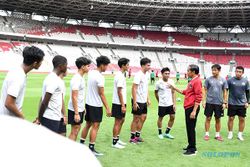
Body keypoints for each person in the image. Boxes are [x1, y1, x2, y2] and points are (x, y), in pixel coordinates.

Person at [0, 46, 44, 118]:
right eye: (41, 61)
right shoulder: (18, 76)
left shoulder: (18, 71)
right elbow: (9, 103)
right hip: (9, 121)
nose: (41, 63)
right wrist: (22, 118)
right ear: (35, 63)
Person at [80, 56, 111, 156]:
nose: (107, 68)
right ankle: (91, 148)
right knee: (95, 126)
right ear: (102, 65)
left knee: (88, 124)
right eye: (106, 65)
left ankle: (81, 144)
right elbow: (101, 94)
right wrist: (107, 107)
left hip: (88, 103)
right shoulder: (100, 77)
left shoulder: (91, 72)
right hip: (96, 105)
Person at [171, 64, 202, 156]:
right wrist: (174, 88)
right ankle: (190, 145)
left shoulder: (197, 81)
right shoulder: (192, 81)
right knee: (189, 128)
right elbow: (186, 92)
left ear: (193, 72)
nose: (187, 72)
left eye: (188, 71)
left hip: (192, 108)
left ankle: (193, 149)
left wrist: (194, 111)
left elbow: (199, 96)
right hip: (189, 107)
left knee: (191, 128)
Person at [37, 55, 68, 134]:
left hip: (53, 117)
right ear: (60, 66)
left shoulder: (52, 78)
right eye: (66, 65)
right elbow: (44, 102)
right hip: (50, 118)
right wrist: (39, 119)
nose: (67, 67)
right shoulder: (53, 80)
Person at [202, 64, 228, 141]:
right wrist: (203, 101)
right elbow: (204, 90)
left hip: (219, 103)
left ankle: (217, 135)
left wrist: (225, 102)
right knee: (208, 118)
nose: (213, 72)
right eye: (212, 70)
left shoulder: (223, 80)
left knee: (218, 119)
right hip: (209, 102)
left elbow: (225, 92)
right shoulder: (208, 80)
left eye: (215, 70)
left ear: (219, 70)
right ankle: (207, 134)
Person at [68, 57, 91, 141]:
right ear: (82, 67)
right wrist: (76, 113)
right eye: (88, 66)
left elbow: (80, 95)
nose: (89, 68)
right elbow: (74, 96)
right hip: (75, 109)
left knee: (77, 129)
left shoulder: (81, 77)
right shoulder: (77, 78)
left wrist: (82, 107)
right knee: (74, 130)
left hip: (79, 108)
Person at [130, 57, 151, 144]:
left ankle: (137, 136)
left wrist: (148, 98)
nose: (149, 67)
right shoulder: (138, 75)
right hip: (137, 100)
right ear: (143, 65)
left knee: (143, 117)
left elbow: (146, 87)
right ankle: (132, 138)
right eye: (148, 65)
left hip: (143, 100)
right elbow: (134, 88)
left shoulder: (148, 74)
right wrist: (134, 102)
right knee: (136, 118)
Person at [227, 66, 250, 141]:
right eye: (237, 71)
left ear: (242, 73)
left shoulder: (246, 81)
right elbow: (225, 90)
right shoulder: (230, 80)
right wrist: (225, 101)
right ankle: (230, 133)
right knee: (231, 118)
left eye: (240, 72)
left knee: (242, 119)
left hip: (242, 104)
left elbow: (247, 92)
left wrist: (247, 102)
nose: (238, 73)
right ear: (235, 72)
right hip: (232, 103)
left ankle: (240, 134)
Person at [111, 58, 130, 149]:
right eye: (127, 65)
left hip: (121, 102)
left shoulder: (122, 75)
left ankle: (117, 139)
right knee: (117, 122)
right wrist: (122, 105)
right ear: (123, 65)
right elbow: (119, 91)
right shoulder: (119, 76)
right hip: (118, 103)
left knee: (122, 120)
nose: (128, 66)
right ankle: (114, 142)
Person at [155, 67, 176, 140]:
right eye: (165, 73)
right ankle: (160, 133)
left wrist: (174, 104)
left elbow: (173, 92)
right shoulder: (158, 83)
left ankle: (167, 133)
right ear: (162, 74)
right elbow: (156, 92)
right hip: (162, 104)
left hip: (170, 103)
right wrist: (159, 101)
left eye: (168, 73)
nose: (167, 75)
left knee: (172, 117)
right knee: (160, 118)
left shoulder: (171, 81)